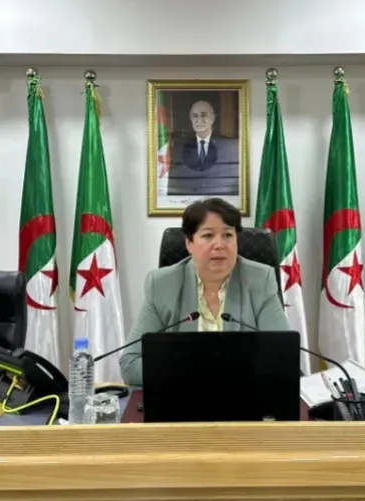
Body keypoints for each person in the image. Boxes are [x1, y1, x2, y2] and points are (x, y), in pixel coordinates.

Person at [119, 198, 289, 386]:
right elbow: (130, 364)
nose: (219, 244)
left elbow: (282, 358)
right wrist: (196, 372)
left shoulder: (260, 280)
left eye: (228, 235)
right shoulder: (162, 285)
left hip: (245, 397)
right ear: (189, 243)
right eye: (208, 235)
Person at [168, 99, 240, 196]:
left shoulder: (228, 146)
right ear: (190, 119)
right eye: (195, 116)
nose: (199, 120)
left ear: (212, 118)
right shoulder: (180, 148)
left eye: (204, 115)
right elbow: (176, 183)